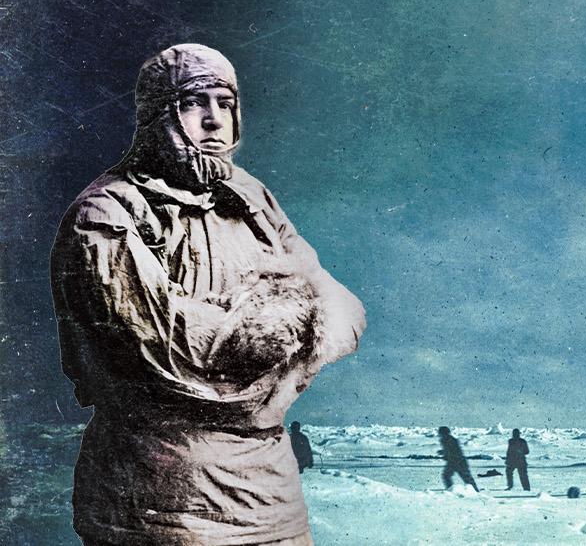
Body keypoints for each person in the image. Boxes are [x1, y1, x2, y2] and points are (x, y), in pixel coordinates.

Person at [50, 43, 366, 546]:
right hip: (164, 496)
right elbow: (171, 357)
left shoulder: (251, 197)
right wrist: (283, 329)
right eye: (195, 103)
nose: (215, 121)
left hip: (270, 493)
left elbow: (338, 307)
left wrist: (275, 325)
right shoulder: (106, 216)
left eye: (226, 103)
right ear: (158, 114)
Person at [437, 426, 481, 492]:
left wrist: (444, 453)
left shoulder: (448, 440)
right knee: (448, 476)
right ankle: (451, 490)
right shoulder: (448, 439)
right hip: (454, 461)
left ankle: (475, 492)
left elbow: (454, 451)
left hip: (458, 461)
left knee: (466, 478)